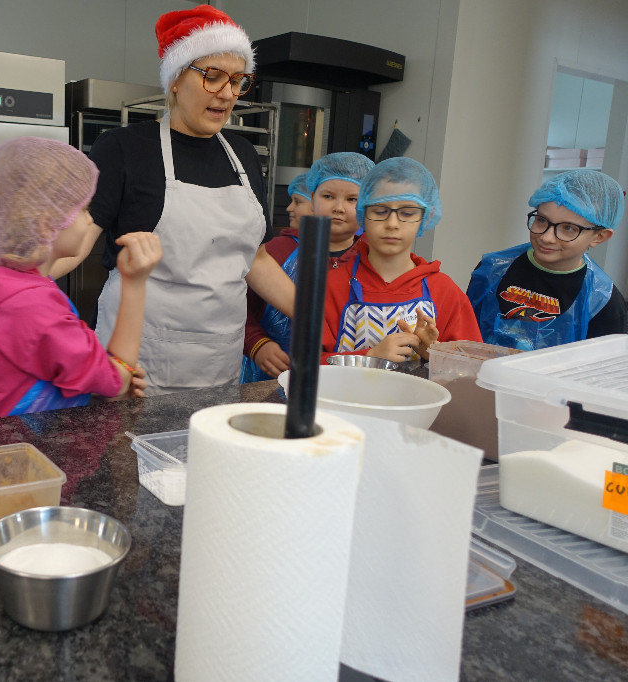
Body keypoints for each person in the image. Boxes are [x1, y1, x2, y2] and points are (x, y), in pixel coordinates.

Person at [53, 4, 297, 395]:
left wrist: (316, 314)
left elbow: (256, 258)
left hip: (219, 358)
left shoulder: (242, 154)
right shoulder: (124, 149)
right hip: (139, 359)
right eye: (212, 77)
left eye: (238, 81)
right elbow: (77, 239)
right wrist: (6, 283)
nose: (227, 94)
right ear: (176, 79)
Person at [0, 137, 162, 424]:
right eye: (83, 209)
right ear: (46, 222)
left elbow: (48, 368)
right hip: (15, 450)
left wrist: (102, 380)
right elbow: (117, 380)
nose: (90, 220)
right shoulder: (33, 306)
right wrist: (134, 282)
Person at [322, 157, 482, 363]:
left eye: (407, 213)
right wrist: (369, 356)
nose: (392, 223)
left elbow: (471, 368)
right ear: (362, 213)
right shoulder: (330, 288)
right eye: (380, 211)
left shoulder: (445, 292)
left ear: (425, 217)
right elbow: (303, 365)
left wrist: (433, 354)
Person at [242, 154, 374, 381]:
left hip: (348, 378)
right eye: (328, 196)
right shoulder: (276, 252)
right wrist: (257, 343)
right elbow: (237, 304)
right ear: (313, 198)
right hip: (269, 378)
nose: (339, 208)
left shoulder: (372, 259)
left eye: (352, 199)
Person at [466, 169, 626, 349]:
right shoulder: (492, 270)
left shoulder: (602, 300)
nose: (547, 237)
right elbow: (462, 338)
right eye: (542, 220)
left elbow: (605, 363)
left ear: (600, 236)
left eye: (568, 228)